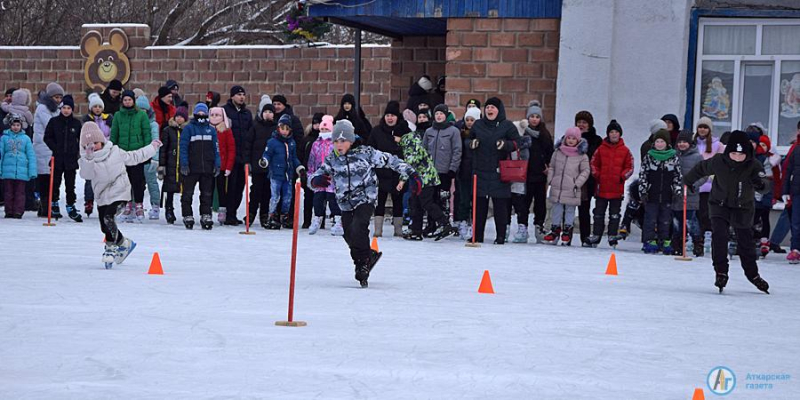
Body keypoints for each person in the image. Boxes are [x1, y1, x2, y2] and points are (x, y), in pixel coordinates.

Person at [309, 119, 420, 288]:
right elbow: (315, 176)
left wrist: (412, 173)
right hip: (345, 203)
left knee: (358, 227)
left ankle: (362, 264)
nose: (339, 145)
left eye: (343, 140)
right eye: (336, 141)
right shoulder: (332, 159)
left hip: (365, 198)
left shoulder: (366, 153)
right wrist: (315, 181)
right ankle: (367, 257)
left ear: (351, 140)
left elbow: (391, 160)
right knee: (348, 234)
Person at [684, 130, 770, 294]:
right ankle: (721, 271)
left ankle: (753, 274)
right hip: (719, 204)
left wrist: (761, 185)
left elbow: (765, 183)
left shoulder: (753, 165)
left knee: (745, 242)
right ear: (728, 151)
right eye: (734, 153)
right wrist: (687, 181)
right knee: (719, 236)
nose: (737, 157)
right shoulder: (718, 161)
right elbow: (700, 168)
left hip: (743, 207)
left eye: (741, 154)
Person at [78, 121, 161, 268]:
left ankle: (110, 248)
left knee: (109, 217)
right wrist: (89, 158)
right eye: (88, 145)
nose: (93, 147)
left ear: (102, 140)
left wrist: (152, 148)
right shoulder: (86, 160)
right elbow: (86, 174)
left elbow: (135, 157)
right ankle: (125, 244)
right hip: (102, 196)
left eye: (96, 142)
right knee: (105, 226)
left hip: (120, 192)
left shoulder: (114, 151)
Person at [468, 97, 520, 244]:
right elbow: (467, 140)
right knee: (479, 207)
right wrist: (471, 143)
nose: (490, 110)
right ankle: (477, 236)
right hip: (480, 170)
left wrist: (505, 145)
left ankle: (501, 236)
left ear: (499, 110)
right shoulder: (478, 125)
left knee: (500, 206)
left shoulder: (507, 126)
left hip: (499, 172)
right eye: (488, 107)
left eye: (493, 107)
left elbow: (518, 142)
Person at [399, 116, 455, 241]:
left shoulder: (410, 141)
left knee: (426, 202)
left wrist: (402, 180)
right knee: (415, 202)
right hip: (418, 179)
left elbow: (410, 162)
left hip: (426, 178)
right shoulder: (409, 140)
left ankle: (444, 223)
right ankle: (416, 230)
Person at [586, 119, 633, 248]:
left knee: (614, 214)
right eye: (611, 132)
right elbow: (593, 164)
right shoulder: (600, 149)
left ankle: (612, 236)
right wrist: (598, 175)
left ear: (620, 134)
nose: (613, 134)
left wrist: (622, 176)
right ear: (608, 134)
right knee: (598, 213)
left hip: (616, 189)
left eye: (616, 132)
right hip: (601, 188)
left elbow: (630, 167)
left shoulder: (625, 151)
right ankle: (596, 235)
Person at [510, 101, 553, 243]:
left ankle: (539, 227)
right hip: (525, 174)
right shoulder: (522, 132)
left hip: (540, 175)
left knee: (540, 204)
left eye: (537, 116)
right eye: (532, 116)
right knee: (523, 203)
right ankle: (523, 228)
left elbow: (549, 153)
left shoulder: (545, 135)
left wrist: (548, 167)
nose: (534, 119)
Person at [541, 127, 590, 245]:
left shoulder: (582, 155)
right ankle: (555, 228)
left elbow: (585, 171)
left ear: (578, 140)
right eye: (569, 138)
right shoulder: (558, 152)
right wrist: (551, 179)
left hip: (572, 187)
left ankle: (567, 229)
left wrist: (577, 183)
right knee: (556, 208)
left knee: (569, 209)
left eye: (574, 138)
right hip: (557, 186)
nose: (571, 140)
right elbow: (552, 166)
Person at [367, 101, 410, 237]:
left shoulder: (404, 131)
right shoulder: (377, 131)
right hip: (380, 173)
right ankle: (378, 230)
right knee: (379, 202)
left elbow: (410, 150)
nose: (390, 118)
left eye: (392, 115)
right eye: (387, 115)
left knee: (398, 201)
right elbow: (370, 150)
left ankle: (398, 230)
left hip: (398, 173)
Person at [110, 90, 151, 223]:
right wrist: (112, 150)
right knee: (125, 181)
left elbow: (146, 134)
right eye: (125, 100)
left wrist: (147, 152)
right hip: (122, 154)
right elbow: (114, 134)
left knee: (138, 181)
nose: (127, 102)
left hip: (137, 153)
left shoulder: (141, 115)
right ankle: (127, 204)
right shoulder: (117, 115)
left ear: (134, 101)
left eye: (130, 100)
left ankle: (138, 205)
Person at [638, 129, 682, 254]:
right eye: (657, 141)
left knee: (665, 219)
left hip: (668, 194)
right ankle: (649, 241)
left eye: (662, 141)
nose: (659, 144)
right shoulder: (649, 156)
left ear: (667, 143)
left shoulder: (673, 157)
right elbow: (643, 175)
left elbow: (677, 176)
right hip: (652, 194)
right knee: (650, 219)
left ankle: (665, 240)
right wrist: (643, 191)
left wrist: (677, 191)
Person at [180, 103, 220, 230]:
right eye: (199, 113)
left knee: (207, 194)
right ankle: (187, 214)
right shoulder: (189, 129)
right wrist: (184, 163)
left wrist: (217, 164)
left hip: (207, 167)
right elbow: (183, 148)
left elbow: (216, 148)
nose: (201, 116)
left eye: (204, 114)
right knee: (187, 193)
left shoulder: (211, 130)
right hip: (192, 167)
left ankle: (206, 214)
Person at [260, 114, 305, 230]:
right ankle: (272, 216)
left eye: (287, 129)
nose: (284, 132)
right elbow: (267, 154)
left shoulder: (292, 143)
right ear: (278, 128)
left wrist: (299, 168)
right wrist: (264, 161)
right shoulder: (272, 142)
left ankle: (284, 216)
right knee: (275, 196)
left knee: (287, 197)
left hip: (288, 175)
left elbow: (294, 158)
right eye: (282, 128)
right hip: (276, 174)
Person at [43, 94, 83, 222]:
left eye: (68, 108)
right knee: (55, 182)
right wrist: (55, 147)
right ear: (60, 109)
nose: (66, 110)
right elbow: (47, 137)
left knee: (70, 184)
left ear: (72, 109)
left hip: (71, 159)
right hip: (57, 158)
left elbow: (81, 139)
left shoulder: (76, 123)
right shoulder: (54, 122)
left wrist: (76, 151)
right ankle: (54, 203)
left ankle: (71, 205)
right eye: (64, 107)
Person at [423, 104, 462, 234]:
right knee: (430, 199)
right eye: (437, 114)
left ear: (446, 115)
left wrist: (452, 169)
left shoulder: (453, 131)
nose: (439, 116)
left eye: (441, 114)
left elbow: (457, 151)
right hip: (430, 172)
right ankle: (431, 224)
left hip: (444, 171)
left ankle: (444, 224)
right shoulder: (429, 131)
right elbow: (424, 150)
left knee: (442, 199)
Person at [222, 85, 253, 225]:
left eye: (243, 95)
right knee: (231, 186)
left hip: (243, 156)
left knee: (240, 186)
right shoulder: (225, 111)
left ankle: (233, 213)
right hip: (230, 156)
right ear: (232, 96)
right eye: (239, 94)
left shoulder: (247, 114)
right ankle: (228, 214)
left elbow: (249, 135)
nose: (241, 97)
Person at [671, 130, 706, 256]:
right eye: (679, 142)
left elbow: (704, 175)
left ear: (690, 143)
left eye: (684, 142)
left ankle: (698, 243)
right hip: (676, 195)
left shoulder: (697, 157)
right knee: (676, 222)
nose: (682, 144)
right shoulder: (674, 156)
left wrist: (694, 185)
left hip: (690, 195)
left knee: (690, 222)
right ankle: (677, 244)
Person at [306, 115, 343, 235]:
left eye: (326, 130)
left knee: (332, 199)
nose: (324, 132)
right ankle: (317, 219)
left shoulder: (334, 144)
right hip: (319, 175)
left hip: (332, 177)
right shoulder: (316, 144)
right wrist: (311, 173)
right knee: (318, 199)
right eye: (322, 130)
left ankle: (338, 221)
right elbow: (312, 159)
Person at [243, 102, 276, 228]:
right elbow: (248, 145)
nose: (268, 114)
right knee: (255, 190)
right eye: (266, 112)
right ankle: (251, 213)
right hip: (257, 164)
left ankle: (264, 214)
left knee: (267, 192)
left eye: (270, 112)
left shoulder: (276, 128)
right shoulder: (255, 127)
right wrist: (247, 161)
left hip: (271, 167)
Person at [33, 82, 64, 218]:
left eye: (60, 97)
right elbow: (52, 125)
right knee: (44, 179)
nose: (58, 100)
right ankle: (45, 207)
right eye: (56, 97)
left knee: (52, 178)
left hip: (52, 148)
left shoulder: (58, 109)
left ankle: (48, 206)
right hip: (43, 147)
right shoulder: (42, 109)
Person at [81, 93, 113, 217]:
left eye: (100, 106)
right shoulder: (87, 120)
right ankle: (88, 201)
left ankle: (105, 202)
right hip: (91, 151)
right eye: (95, 106)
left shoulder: (108, 119)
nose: (97, 109)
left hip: (105, 151)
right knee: (90, 177)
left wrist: (106, 142)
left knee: (105, 177)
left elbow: (112, 133)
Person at [693, 116, 724, 242]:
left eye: (705, 127)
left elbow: (723, 163)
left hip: (709, 185)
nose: (702, 129)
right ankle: (697, 236)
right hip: (695, 184)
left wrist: (714, 175)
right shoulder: (692, 143)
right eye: (700, 127)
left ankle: (708, 234)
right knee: (696, 213)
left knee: (707, 213)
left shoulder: (717, 145)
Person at [0, 113, 37, 218]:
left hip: (22, 172)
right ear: (10, 126)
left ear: (21, 126)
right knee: (8, 192)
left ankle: (18, 211)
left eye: (18, 125)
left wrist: (32, 171)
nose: (15, 127)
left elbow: (31, 155)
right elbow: (1, 154)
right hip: (8, 171)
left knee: (20, 193)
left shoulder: (26, 139)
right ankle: (9, 211)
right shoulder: (4, 138)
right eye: (13, 125)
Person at [575, 110, 602, 246]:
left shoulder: (596, 140)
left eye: (584, 122)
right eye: (579, 122)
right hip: (572, 177)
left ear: (589, 124)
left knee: (585, 208)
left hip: (589, 179)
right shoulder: (570, 137)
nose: (581, 125)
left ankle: (586, 237)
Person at [158, 106, 188, 224]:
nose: (179, 119)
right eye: (177, 116)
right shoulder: (168, 130)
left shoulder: (187, 130)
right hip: (170, 165)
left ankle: (185, 211)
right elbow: (163, 149)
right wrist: (162, 166)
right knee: (169, 189)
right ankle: (169, 210)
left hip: (183, 165)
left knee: (184, 189)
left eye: (182, 117)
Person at [136, 94, 163, 221]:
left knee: (151, 182)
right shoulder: (134, 122)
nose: (142, 113)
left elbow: (155, 140)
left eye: (144, 110)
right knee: (134, 183)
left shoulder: (153, 125)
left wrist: (155, 158)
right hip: (136, 157)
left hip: (149, 157)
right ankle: (134, 205)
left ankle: (155, 205)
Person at [209, 107, 236, 225]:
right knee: (208, 189)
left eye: (217, 115)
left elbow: (231, 149)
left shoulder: (226, 130)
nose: (215, 117)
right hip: (208, 166)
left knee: (221, 189)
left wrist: (229, 166)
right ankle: (207, 210)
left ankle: (222, 210)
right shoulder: (206, 129)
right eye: (212, 115)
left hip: (222, 166)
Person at [300, 113, 323, 229]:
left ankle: (321, 221)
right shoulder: (307, 140)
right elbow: (301, 155)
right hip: (309, 172)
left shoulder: (326, 141)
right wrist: (302, 170)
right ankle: (307, 220)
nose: (317, 126)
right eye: (315, 123)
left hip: (322, 173)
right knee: (308, 198)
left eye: (320, 123)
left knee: (321, 198)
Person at [782, 120, 800, 263]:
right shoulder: (796, 148)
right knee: (796, 222)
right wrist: (785, 191)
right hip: (797, 191)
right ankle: (795, 250)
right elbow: (787, 169)